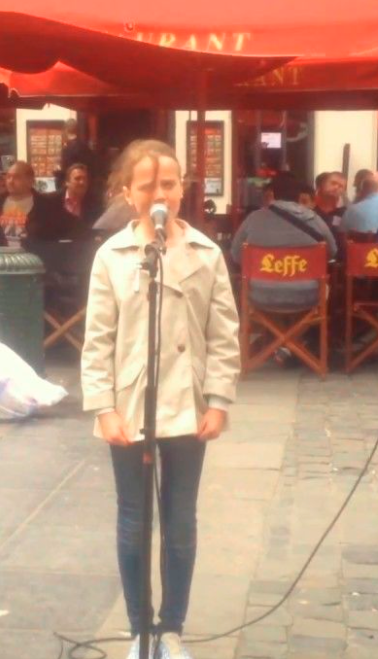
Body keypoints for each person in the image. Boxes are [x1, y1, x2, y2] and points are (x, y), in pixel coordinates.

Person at [81, 139, 239, 659]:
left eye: (168, 185)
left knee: (179, 520)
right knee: (133, 518)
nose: (159, 194)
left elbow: (223, 334)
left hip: (187, 403)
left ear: (182, 189)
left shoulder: (206, 253)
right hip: (131, 403)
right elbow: (98, 339)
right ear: (128, 193)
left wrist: (218, 400)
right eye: (147, 185)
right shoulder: (112, 256)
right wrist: (103, 408)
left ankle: (172, 628)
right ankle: (137, 630)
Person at [230, 179, 337, 310]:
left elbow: (236, 255)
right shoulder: (315, 219)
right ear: (299, 197)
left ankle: (270, 328)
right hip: (308, 295)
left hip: (260, 294)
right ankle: (299, 329)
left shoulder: (254, 218)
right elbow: (332, 252)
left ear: (274, 196)